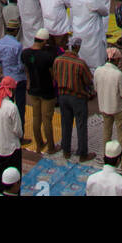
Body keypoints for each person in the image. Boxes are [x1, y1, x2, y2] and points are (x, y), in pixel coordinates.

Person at [52, 35, 95, 163]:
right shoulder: (80, 64)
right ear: (77, 47)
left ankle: (66, 150)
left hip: (63, 96)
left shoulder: (58, 60)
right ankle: (82, 153)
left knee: (65, 123)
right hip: (78, 97)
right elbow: (88, 81)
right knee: (81, 125)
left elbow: (54, 76)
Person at [22, 27, 58, 156]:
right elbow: (52, 73)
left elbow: (26, 69)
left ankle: (39, 144)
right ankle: (51, 147)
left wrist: (29, 82)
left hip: (33, 90)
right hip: (47, 91)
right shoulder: (47, 56)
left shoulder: (25, 53)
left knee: (36, 117)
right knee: (47, 119)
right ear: (44, 42)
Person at [0, 76, 24, 180]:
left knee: (2, 175)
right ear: (11, 90)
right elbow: (18, 131)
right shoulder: (12, 107)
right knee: (14, 178)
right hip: (12, 149)